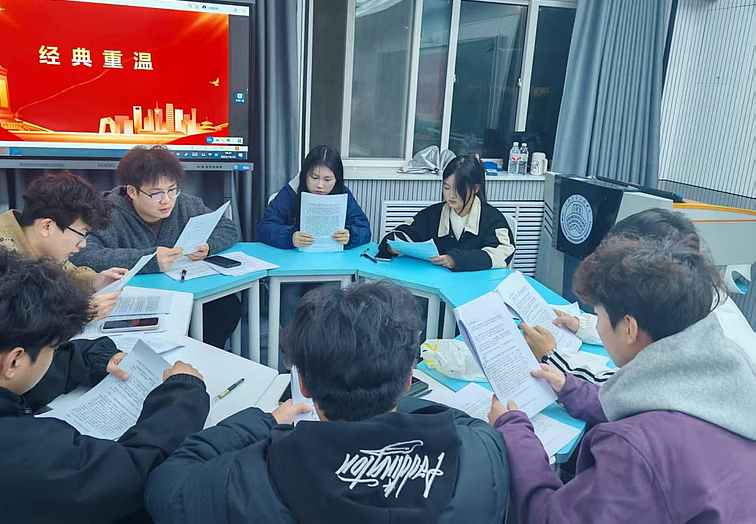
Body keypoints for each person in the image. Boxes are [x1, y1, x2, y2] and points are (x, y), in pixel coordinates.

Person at [145, 281, 510, 523]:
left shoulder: (249, 477)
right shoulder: (481, 453)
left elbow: (167, 484)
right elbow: (470, 424)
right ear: (408, 382)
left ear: (303, 385)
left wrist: (263, 421)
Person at [490, 236, 756, 523]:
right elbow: (656, 403)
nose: (598, 327)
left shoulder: (633, 450)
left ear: (630, 328)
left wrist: (513, 431)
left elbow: (549, 517)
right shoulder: (729, 377)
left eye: (598, 315)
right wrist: (571, 388)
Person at [0, 248, 210, 523]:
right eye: (53, 347)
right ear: (14, 361)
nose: (54, 353)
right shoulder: (11, 451)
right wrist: (184, 393)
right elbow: (132, 473)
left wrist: (96, 359)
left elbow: (32, 374)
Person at [522, 209, 756, 383]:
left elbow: (626, 389)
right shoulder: (694, 296)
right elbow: (647, 325)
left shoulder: (701, 332)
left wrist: (552, 358)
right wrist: (582, 324)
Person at [71, 145, 241, 349]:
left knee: (227, 307)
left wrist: (209, 245)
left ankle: (199, 357)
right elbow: (82, 255)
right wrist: (149, 259)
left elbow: (228, 227)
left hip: (183, 292)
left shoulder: (185, 204)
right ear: (132, 191)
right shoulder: (107, 212)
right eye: (156, 194)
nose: (166, 200)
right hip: (130, 303)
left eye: (172, 190)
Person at [0, 171, 124, 320]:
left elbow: (65, 272)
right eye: (82, 234)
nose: (83, 244)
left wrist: (94, 281)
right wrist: (78, 315)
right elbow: (3, 326)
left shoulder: (32, 238)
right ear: (47, 226)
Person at [378, 154, 514, 271]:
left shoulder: (492, 218)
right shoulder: (433, 214)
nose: (451, 195)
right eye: (447, 188)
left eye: (458, 189)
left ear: (475, 188)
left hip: (478, 286)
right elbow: (402, 233)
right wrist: (391, 246)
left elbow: (504, 252)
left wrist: (456, 260)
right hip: (437, 284)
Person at [257, 144, 371, 250]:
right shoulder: (290, 193)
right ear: (305, 175)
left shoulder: (342, 193)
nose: (320, 185)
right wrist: (290, 237)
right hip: (294, 258)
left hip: (333, 258)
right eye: (314, 178)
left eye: (327, 180)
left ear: (337, 179)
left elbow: (364, 230)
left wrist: (351, 236)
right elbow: (264, 228)